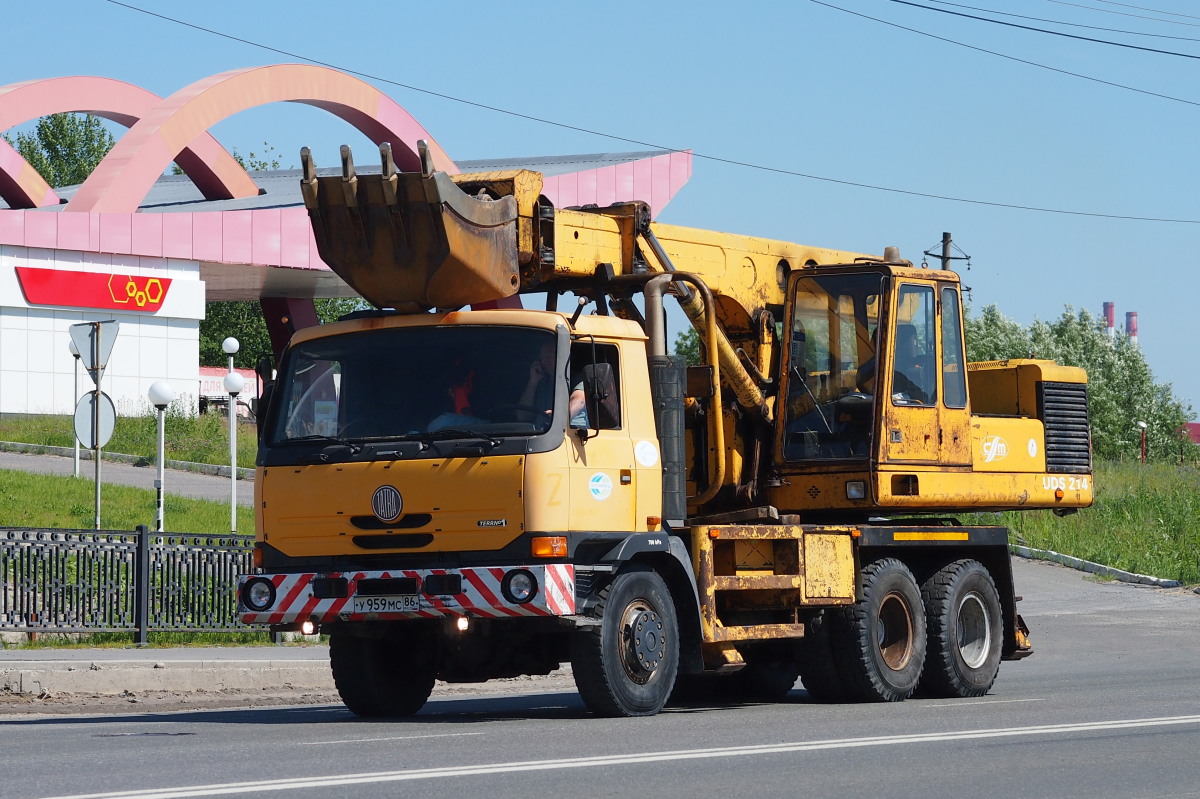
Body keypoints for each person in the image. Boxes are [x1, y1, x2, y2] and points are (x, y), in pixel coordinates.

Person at [517, 340, 587, 427]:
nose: (545, 359)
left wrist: (558, 416)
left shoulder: (577, 378)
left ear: (562, 356)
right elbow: (522, 416)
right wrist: (533, 382)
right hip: (543, 435)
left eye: (550, 355)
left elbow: (580, 400)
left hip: (573, 435)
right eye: (543, 356)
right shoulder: (541, 383)